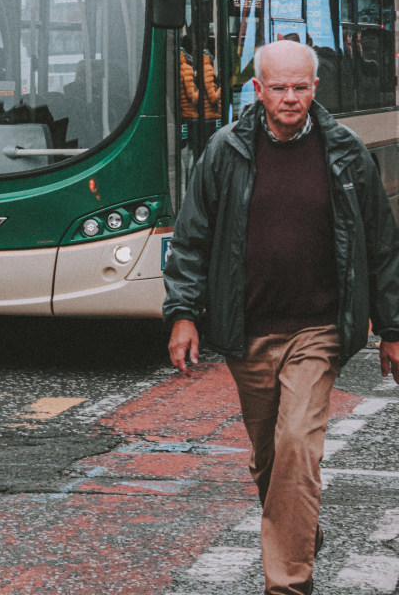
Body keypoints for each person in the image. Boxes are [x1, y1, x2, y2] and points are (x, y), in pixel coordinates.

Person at [164, 38, 399, 595]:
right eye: (279, 88)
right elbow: (191, 240)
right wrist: (182, 313)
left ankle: (288, 583)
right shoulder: (225, 151)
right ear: (258, 90)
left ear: (315, 88)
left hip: (318, 329)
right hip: (247, 332)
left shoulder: (345, 153)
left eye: (301, 87)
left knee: (297, 442)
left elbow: (382, 246)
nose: (290, 98)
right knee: (270, 457)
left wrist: (392, 329)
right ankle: (298, 528)